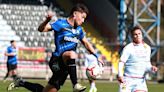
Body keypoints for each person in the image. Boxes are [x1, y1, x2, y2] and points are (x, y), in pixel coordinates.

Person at [7, 3, 103, 92]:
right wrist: (47, 21)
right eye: (82, 17)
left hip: (67, 67)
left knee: (46, 91)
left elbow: (86, 43)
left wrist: (97, 56)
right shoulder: (61, 24)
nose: (83, 21)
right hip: (56, 61)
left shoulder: (79, 30)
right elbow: (41, 29)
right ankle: (75, 85)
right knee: (71, 53)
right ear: (75, 14)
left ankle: (21, 82)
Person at [117, 26, 158, 92]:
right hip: (127, 80)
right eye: (135, 34)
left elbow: (147, 64)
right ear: (132, 36)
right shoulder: (128, 48)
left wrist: (151, 68)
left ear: (142, 35)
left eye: (139, 34)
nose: (138, 36)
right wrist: (120, 75)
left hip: (140, 81)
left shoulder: (147, 48)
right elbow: (121, 62)